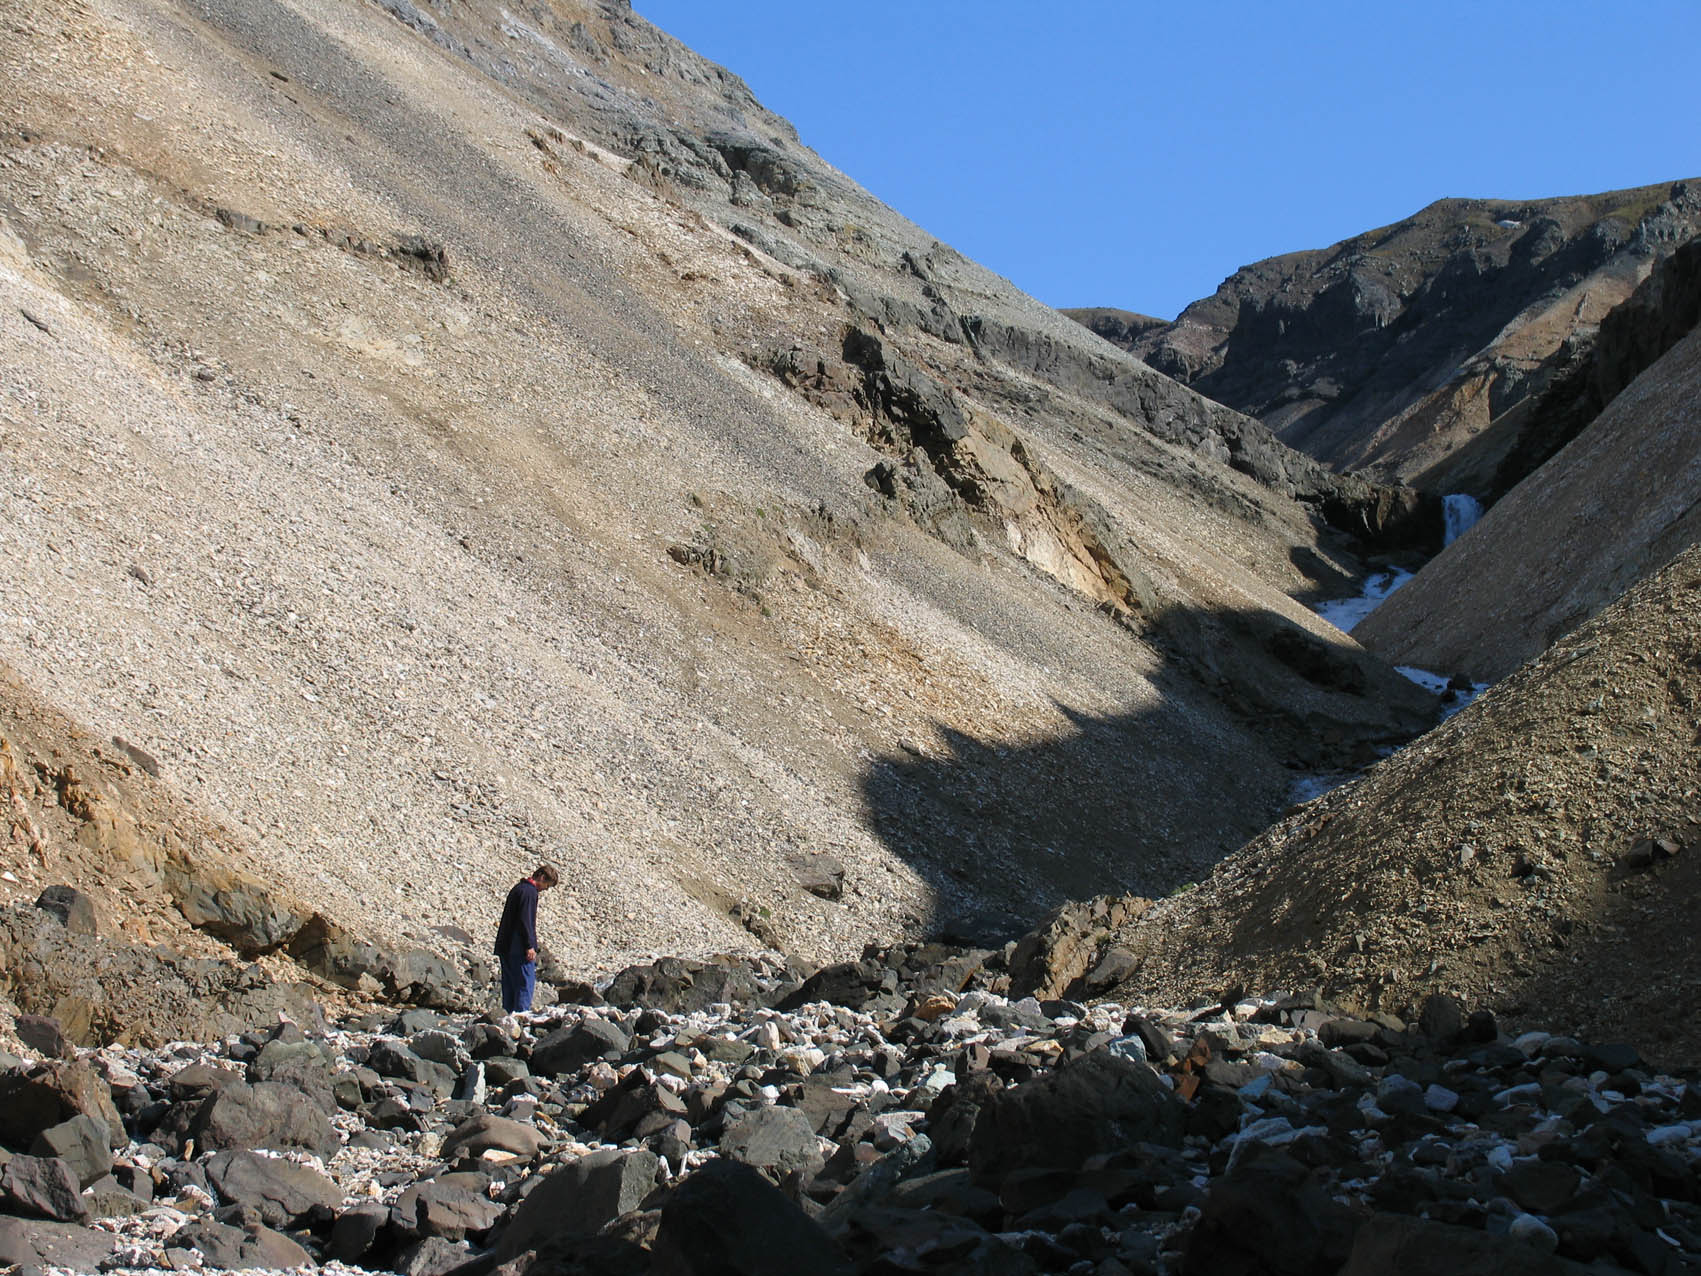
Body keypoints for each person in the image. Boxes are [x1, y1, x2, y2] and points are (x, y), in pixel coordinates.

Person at [493, 863, 558, 1014]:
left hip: (505, 945)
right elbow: (526, 920)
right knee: (524, 984)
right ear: (541, 877)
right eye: (546, 886)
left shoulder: (518, 888)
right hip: (518, 948)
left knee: (509, 986)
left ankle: (507, 1019)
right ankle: (521, 1018)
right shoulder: (530, 892)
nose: (544, 889)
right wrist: (529, 945)